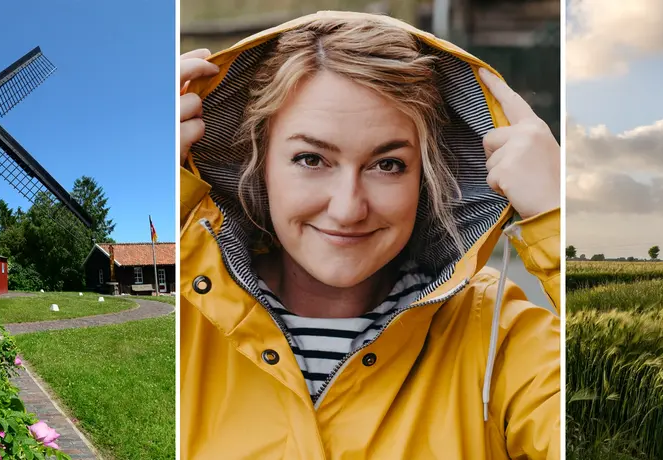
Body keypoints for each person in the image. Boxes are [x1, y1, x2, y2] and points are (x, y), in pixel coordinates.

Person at [179, 11, 560, 460]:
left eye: (388, 164)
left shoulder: (499, 332)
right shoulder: (182, 324)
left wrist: (556, 215)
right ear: (257, 161)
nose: (347, 209)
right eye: (311, 159)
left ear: (428, 176)